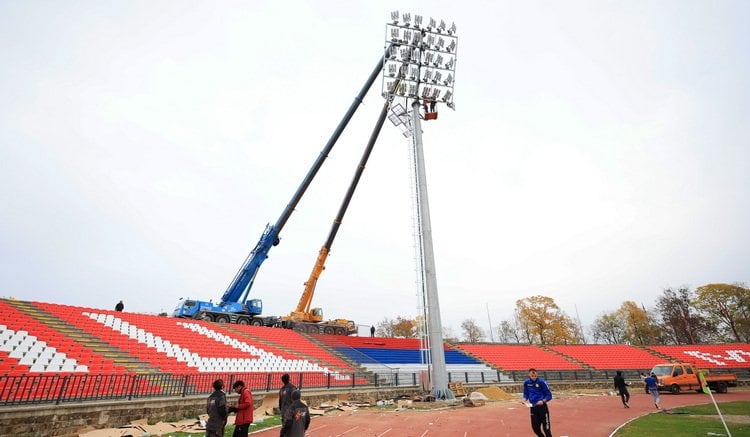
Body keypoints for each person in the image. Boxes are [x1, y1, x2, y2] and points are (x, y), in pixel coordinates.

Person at [523, 368, 553, 437]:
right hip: (533, 407)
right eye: (532, 376)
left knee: (546, 429)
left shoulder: (542, 382)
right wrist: (525, 399)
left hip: (542, 408)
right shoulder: (526, 383)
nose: (533, 377)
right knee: (535, 428)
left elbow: (549, 395)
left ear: (537, 374)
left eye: (535, 375)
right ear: (529, 375)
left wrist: (543, 401)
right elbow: (526, 393)